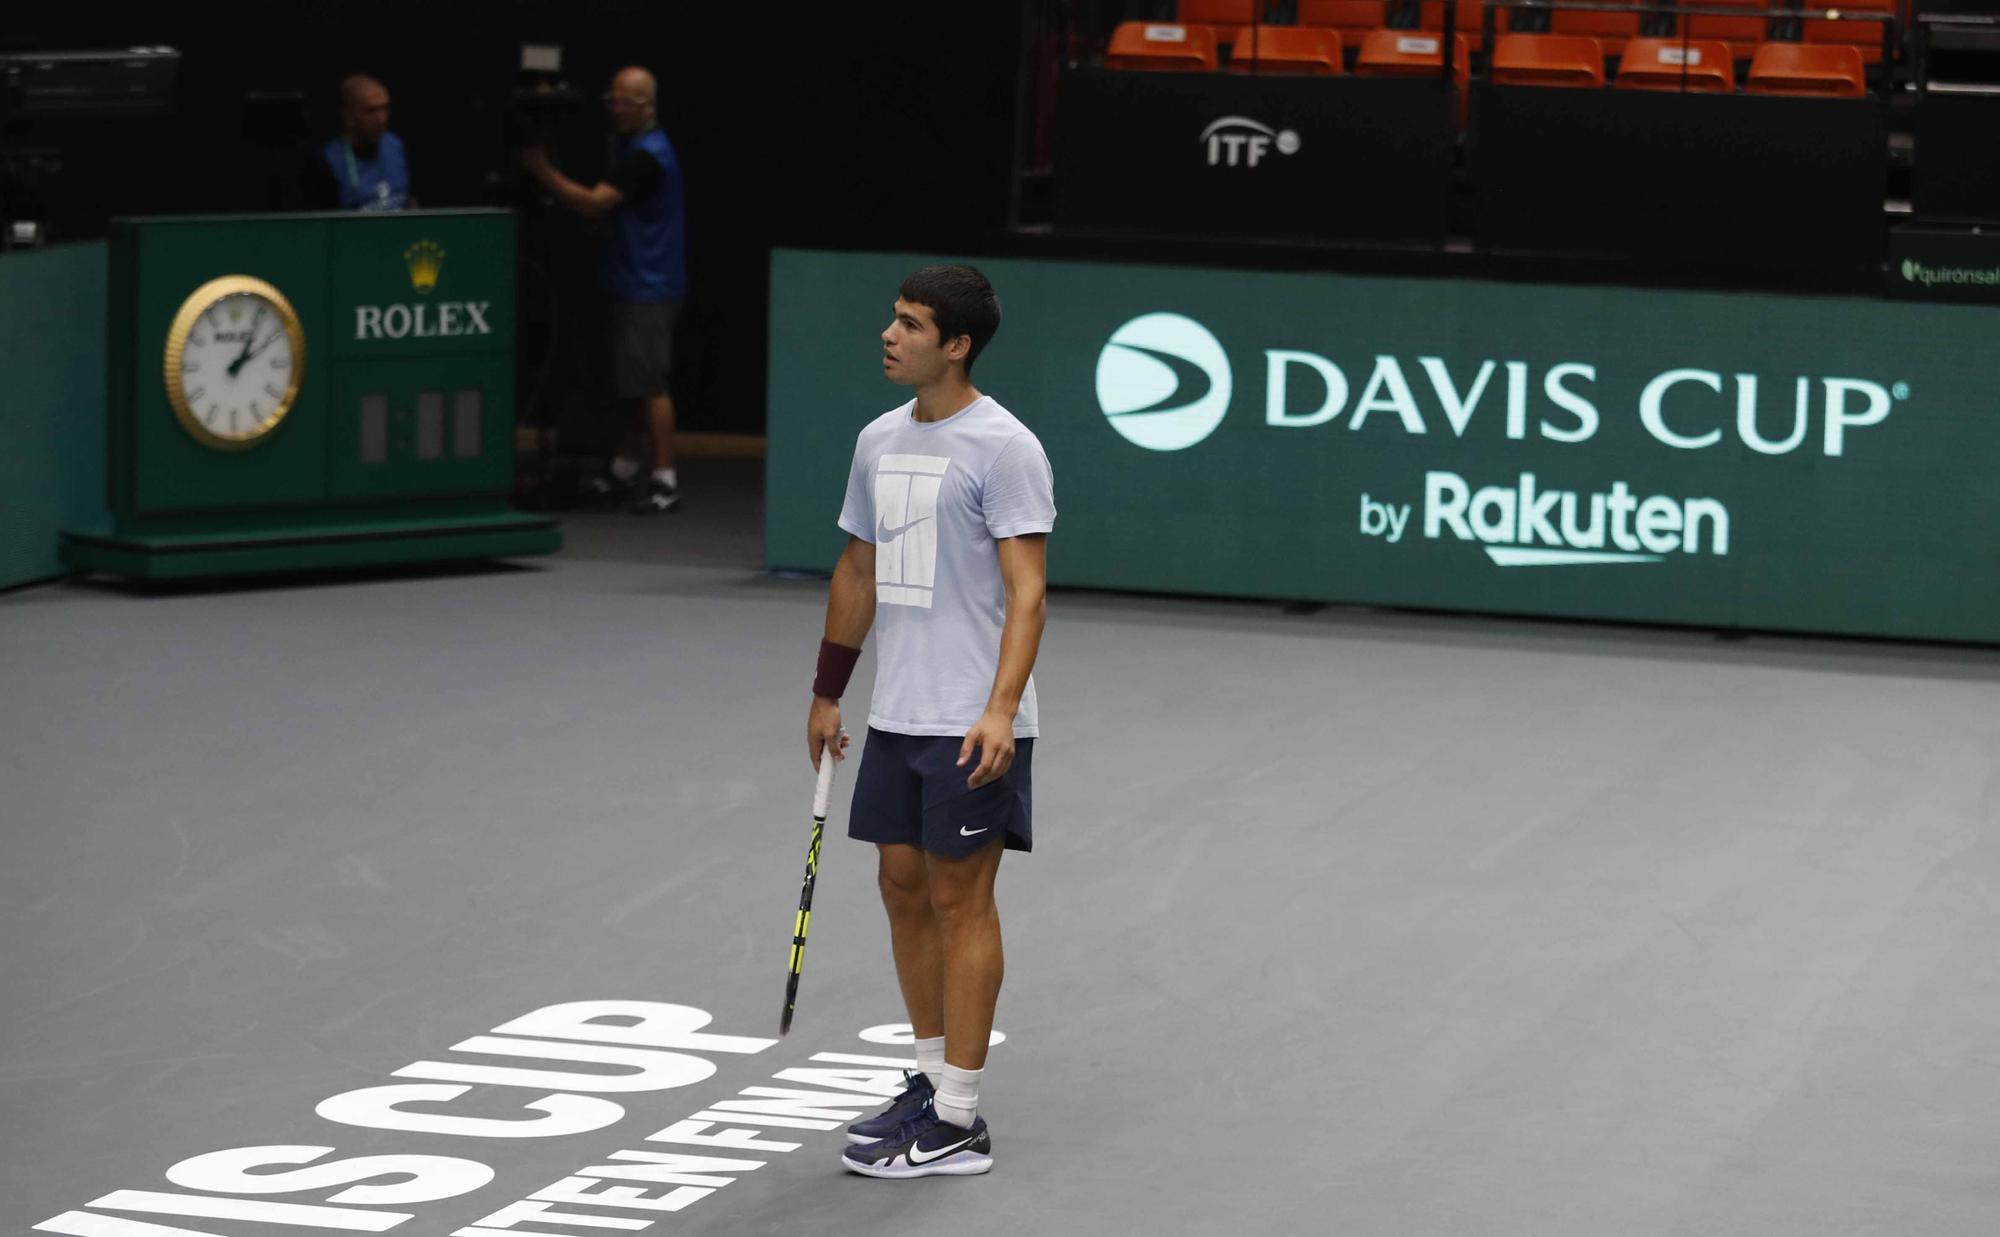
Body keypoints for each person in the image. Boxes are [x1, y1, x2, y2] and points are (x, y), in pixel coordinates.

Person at [805, 265, 1056, 1179]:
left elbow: (1028, 594)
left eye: (911, 324)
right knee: (903, 888)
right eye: (893, 318)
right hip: (896, 713)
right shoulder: (877, 439)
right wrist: (830, 689)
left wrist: (999, 708)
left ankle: (960, 1115)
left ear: (956, 344)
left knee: (962, 900)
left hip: (971, 720)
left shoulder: (1005, 447)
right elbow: (857, 570)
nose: (890, 333)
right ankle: (927, 1075)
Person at [518, 66, 688, 514]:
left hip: (649, 287)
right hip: (631, 280)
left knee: (650, 385)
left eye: (623, 102)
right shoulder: (629, 146)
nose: (614, 110)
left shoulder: (646, 156)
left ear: (647, 106)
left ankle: (665, 480)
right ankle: (626, 467)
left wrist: (542, 170)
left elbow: (594, 202)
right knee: (632, 382)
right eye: (610, 101)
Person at [321, 75, 412, 211]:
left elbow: (409, 201)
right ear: (348, 116)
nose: (381, 119)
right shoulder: (329, 161)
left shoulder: (395, 146)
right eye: (370, 111)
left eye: (385, 108)